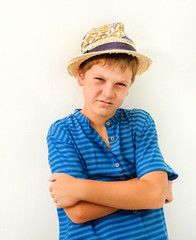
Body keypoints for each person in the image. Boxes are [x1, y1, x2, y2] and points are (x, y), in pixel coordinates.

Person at [47, 22, 178, 240]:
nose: (108, 92)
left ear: (129, 86)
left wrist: (78, 188)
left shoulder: (140, 123)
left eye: (120, 84)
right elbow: (78, 213)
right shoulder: (62, 132)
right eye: (99, 79)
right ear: (81, 76)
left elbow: (154, 195)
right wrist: (141, 191)